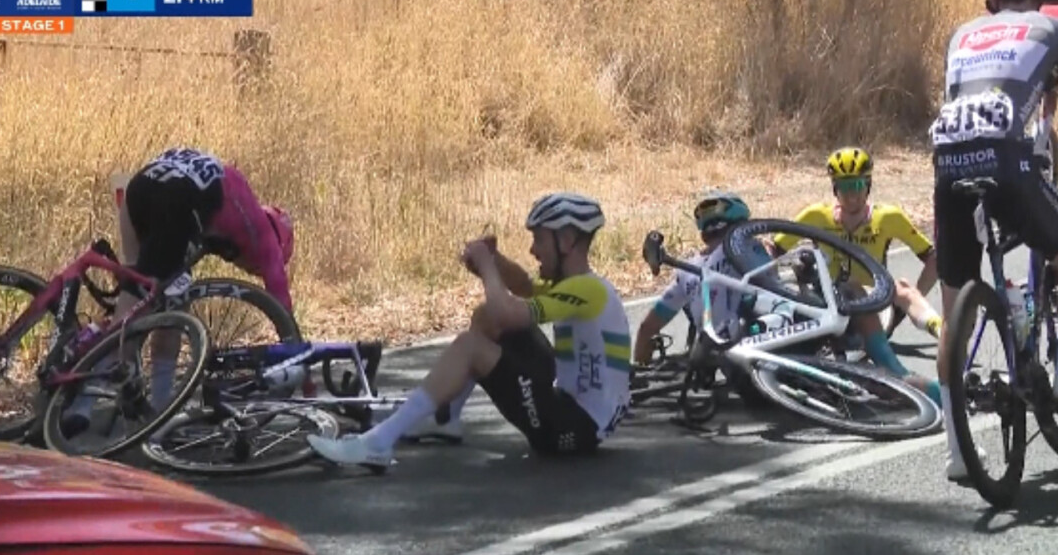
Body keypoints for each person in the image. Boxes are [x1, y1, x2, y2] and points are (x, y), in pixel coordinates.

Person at [306, 192, 632, 469]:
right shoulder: (582, 286)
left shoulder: (590, 291)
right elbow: (524, 286)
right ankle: (446, 418)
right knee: (484, 319)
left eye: (539, 239)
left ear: (566, 241)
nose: (533, 250)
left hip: (571, 430)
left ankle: (379, 443)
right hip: (571, 412)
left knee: (471, 346)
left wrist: (488, 267)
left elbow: (507, 313)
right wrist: (494, 259)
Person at [63, 146, 297, 435]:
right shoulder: (266, 239)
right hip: (178, 202)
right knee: (137, 315)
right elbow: (282, 308)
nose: (250, 271)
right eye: (252, 270)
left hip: (142, 187)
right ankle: (90, 402)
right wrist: (302, 368)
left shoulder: (237, 198)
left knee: (143, 298)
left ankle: (150, 401)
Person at [932, 0, 1058, 481]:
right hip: (1008, 163)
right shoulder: (1046, 29)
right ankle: (1026, 339)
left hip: (948, 165)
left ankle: (958, 457)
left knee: (954, 299)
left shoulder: (962, 34)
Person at [769, 147, 942, 407]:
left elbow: (933, 258)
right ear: (834, 188)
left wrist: (905, 305)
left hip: (874, 306)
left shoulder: (888, 217)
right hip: (827, 307)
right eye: (844, 186)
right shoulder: (815, 216)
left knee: (900, 287)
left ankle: (942, 331)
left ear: (869, 185)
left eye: (858, 185)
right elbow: (772, 250)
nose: (851, 194)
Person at [632, 191, 766, 367]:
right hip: (761, 343)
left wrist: (638, 372)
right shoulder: (750, 247)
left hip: (717, 354)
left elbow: (646, 328)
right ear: (742, 227)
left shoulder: (688, 271)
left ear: (703, 235)